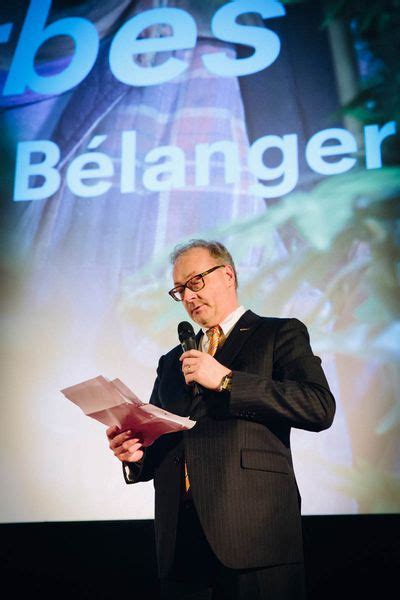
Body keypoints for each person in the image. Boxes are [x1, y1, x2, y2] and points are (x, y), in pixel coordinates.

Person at [107, 239, 336, 599]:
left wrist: (228, 380)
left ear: (227, 275)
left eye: (195, 282)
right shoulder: (172, 361)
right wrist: (137, 455)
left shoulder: (278, 334)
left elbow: (319, 406)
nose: (188, 296)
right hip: (181, 539)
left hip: (253, 534)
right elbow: (162, 436)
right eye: (179, 290)